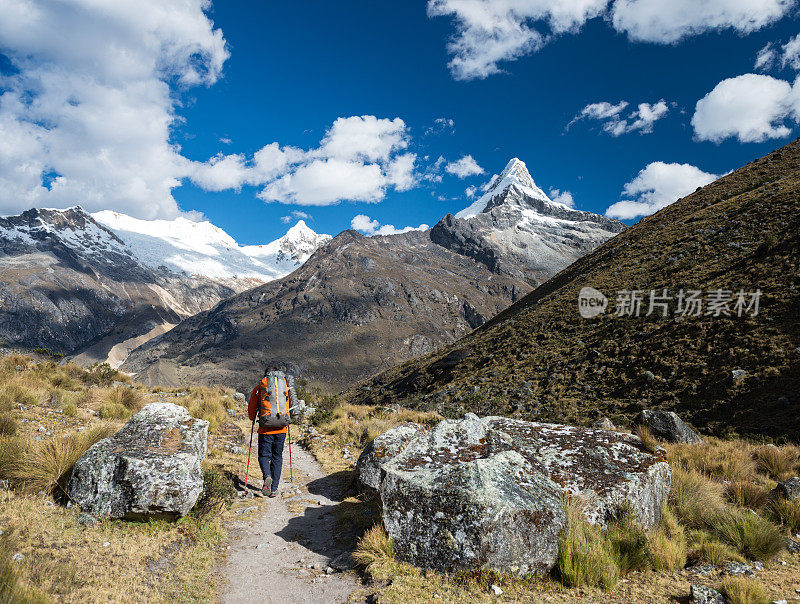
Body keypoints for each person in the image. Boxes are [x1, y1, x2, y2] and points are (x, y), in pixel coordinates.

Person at [248, 364, 295, 497]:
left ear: (266, 375)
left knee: (264, 456)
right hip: (282, 428)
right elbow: (290, 404)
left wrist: (252, 418)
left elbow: (252, 407)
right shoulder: (285, 386)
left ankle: (267, 476)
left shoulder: (260, 387)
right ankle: (274, 489)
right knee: (277, 457)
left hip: (265, 429)